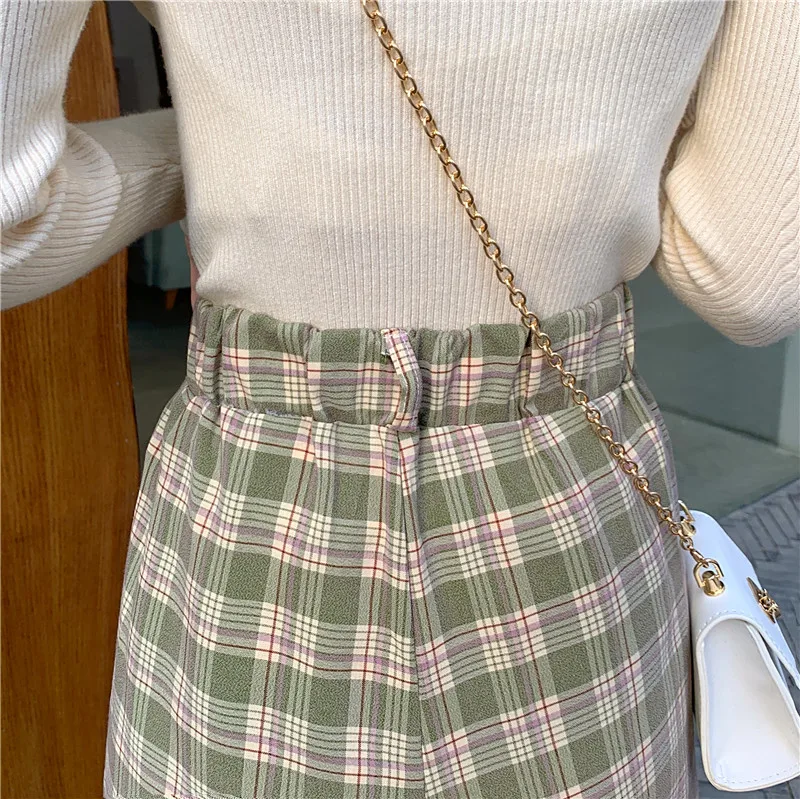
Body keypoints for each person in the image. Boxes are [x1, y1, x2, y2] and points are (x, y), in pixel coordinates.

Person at [2, 1, 798, 797]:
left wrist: (206, 149)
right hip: (565, 502)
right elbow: (749, 279)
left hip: (259, 504)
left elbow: (12, 221)